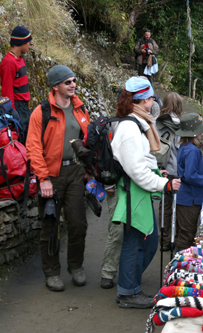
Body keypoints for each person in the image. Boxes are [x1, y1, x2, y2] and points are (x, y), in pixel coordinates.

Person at [111, 77, 180, 308]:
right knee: (137, 241)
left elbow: (143, 161)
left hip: (138, 192)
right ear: (141, 100)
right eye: (150, 98)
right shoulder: (130, 127)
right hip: (133, 193)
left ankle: (130, 285)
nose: (152, 102)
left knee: (146, 241)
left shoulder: (138, 122)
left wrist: (157, 172)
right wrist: (163, 184)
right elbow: (137, 170)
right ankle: (128, 291)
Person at [26, 65, 90, 292]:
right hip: (50, 175)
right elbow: (33, 147)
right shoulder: (41, 112)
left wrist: (89, 170)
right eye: (67, 82)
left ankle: (76, 266)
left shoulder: (80, 109)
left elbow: (88, 140)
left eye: (73, 80)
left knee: (78, 223)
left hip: (75, 172)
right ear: (56, 86)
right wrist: (43, 178)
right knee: (50, 225)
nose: (73, 84)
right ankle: (52, 272)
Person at [175, 113, 203, 252]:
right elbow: (191, 176)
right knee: (187, 234)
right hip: (190, 198)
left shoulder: (184, 146)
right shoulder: (193, 151)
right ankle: (180, 264)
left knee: (184, 231)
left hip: (186, 197)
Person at [154, 92, 182, 251]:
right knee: (178, 207)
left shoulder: (156, 123)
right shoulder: (182, 124)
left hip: (162, 171)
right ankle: (175, 239)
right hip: (177, 172)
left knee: (164, 207)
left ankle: (164, 240)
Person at [0, 26, 32, 138]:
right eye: (28, 42)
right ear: (21, 43)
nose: (29, 45)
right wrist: (12, 113)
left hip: (24, 107)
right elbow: (7, 90)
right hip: (17, 108)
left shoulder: (19, 59)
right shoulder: (9, 63)